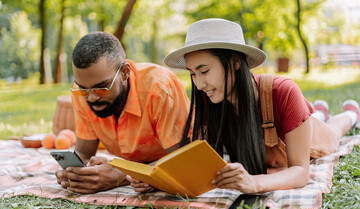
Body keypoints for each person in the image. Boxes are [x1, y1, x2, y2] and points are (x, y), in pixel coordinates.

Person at [129, 18, 360, 194]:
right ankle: (319, 110)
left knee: (335, 131)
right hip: (295, 123)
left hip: (311, 134)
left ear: (233, 63)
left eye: (205, 71)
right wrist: (157, 179)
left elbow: (300, 172)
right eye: (192, 75)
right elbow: (198, 161)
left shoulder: (283, 91)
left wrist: (255, 182)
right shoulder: (212, 99)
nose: (199, 84)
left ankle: (350, 113)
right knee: (317, 116)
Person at [55, 32, 190, 194]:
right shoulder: (82, 93)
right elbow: (84, 152)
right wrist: (74, 172)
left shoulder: (160, 88)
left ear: (125, 72)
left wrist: (119, 175)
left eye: (102, 87)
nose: (92, 97)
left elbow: (181, 161)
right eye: (83, 89)